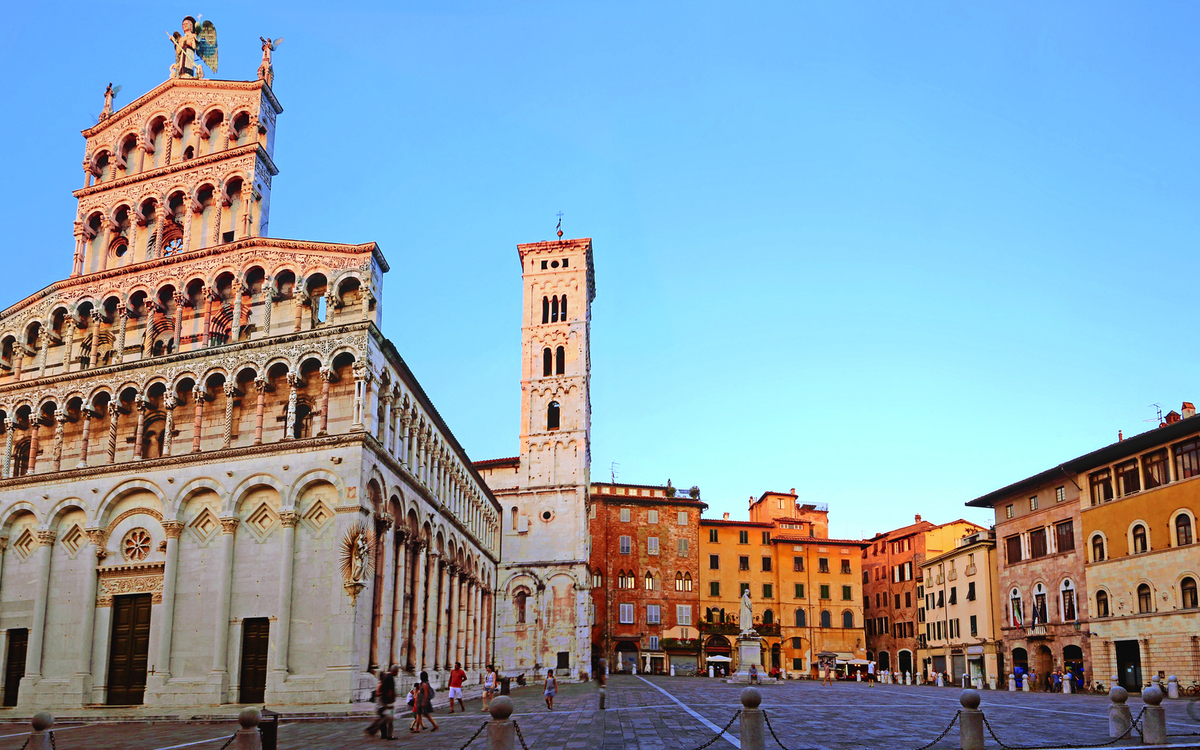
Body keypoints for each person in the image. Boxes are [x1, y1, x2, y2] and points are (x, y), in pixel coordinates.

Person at [365, 665, 399, 739]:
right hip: (387, 702)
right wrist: (390, 702)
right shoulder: (389, 678)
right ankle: (374, 730)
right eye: (397, 671)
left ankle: (378, 731)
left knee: (386, 718)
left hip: (385, 701)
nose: (398, 673)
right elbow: (389, 691)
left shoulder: (387, 677)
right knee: (388, 718)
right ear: (395, 671)